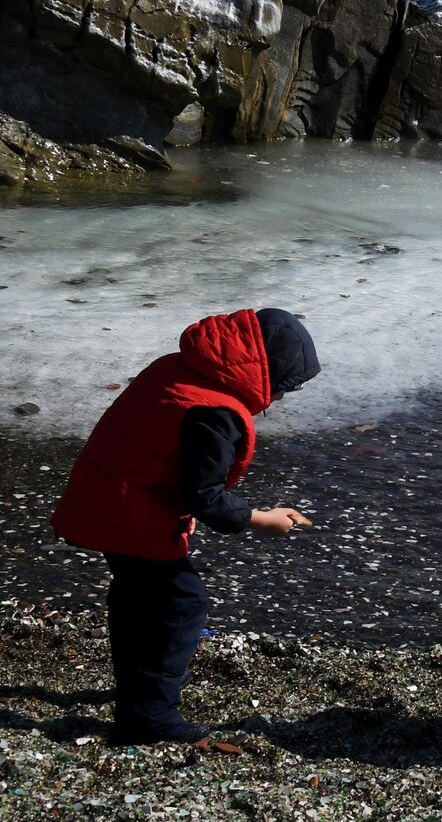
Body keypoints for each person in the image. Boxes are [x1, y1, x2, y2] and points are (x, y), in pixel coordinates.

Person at [50, 308, 320, 744]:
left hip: (108, 490)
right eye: (283, 388)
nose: (280, 399)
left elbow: (162, 448)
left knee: (138, 597)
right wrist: (260, 519)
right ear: (264, 370)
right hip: (129, 510)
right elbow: (204, 495)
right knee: (180, 605)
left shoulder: (182, 368)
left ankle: (137, 693)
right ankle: (149, 718)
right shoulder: (217, 412)